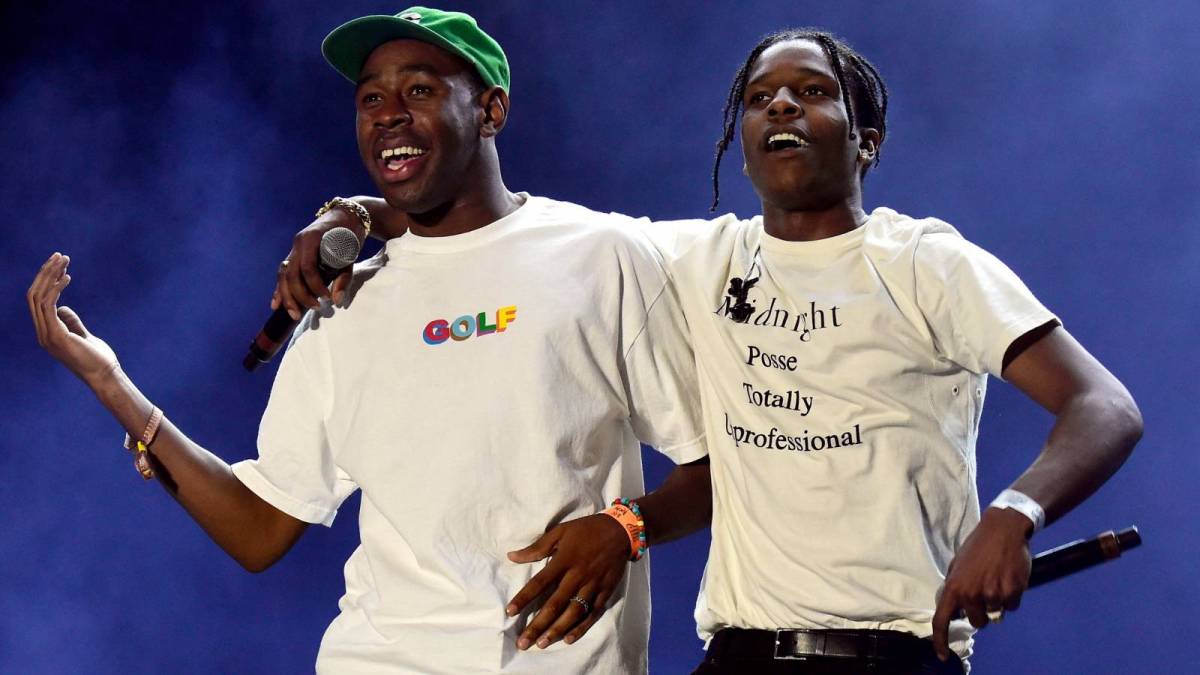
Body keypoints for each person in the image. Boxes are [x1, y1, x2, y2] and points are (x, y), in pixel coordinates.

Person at [282, 27, 1143, 674]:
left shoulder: (925, 263)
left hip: (890, 652)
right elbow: (502, 225)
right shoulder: (696, 259)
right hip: (737, 653)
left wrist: (1012, 516)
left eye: (811, 91)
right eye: (761, 97)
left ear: (866, 137)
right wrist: (353, 212)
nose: (779, 106)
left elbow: (1104, 407)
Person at [27, 8, 715, 674]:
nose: (388, 113)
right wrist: (111, 385)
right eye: (370, 98)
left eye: (419, 89)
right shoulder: (343, 305)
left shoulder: (603, 257)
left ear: (490, 111)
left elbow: (719, 466)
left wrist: (629, 525)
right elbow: (261, 527)